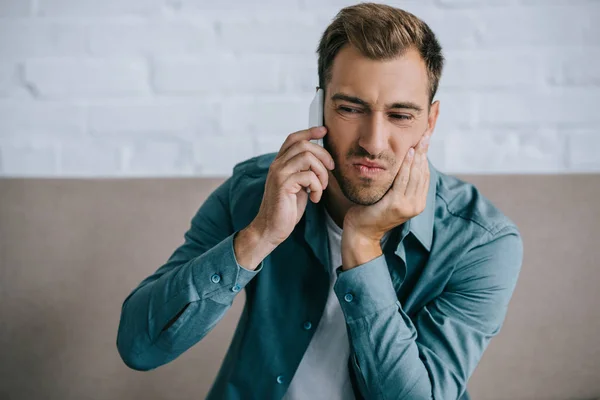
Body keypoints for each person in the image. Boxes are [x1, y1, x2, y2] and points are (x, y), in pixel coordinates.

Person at [116, 3, 523, 399]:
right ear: (319, 105)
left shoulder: (482, 243)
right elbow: (139, 347)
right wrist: (257, 236)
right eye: (350, 108)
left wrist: (363, 245)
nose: (373, 142)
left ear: (430, 122)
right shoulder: (255, 190)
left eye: (401, 115)